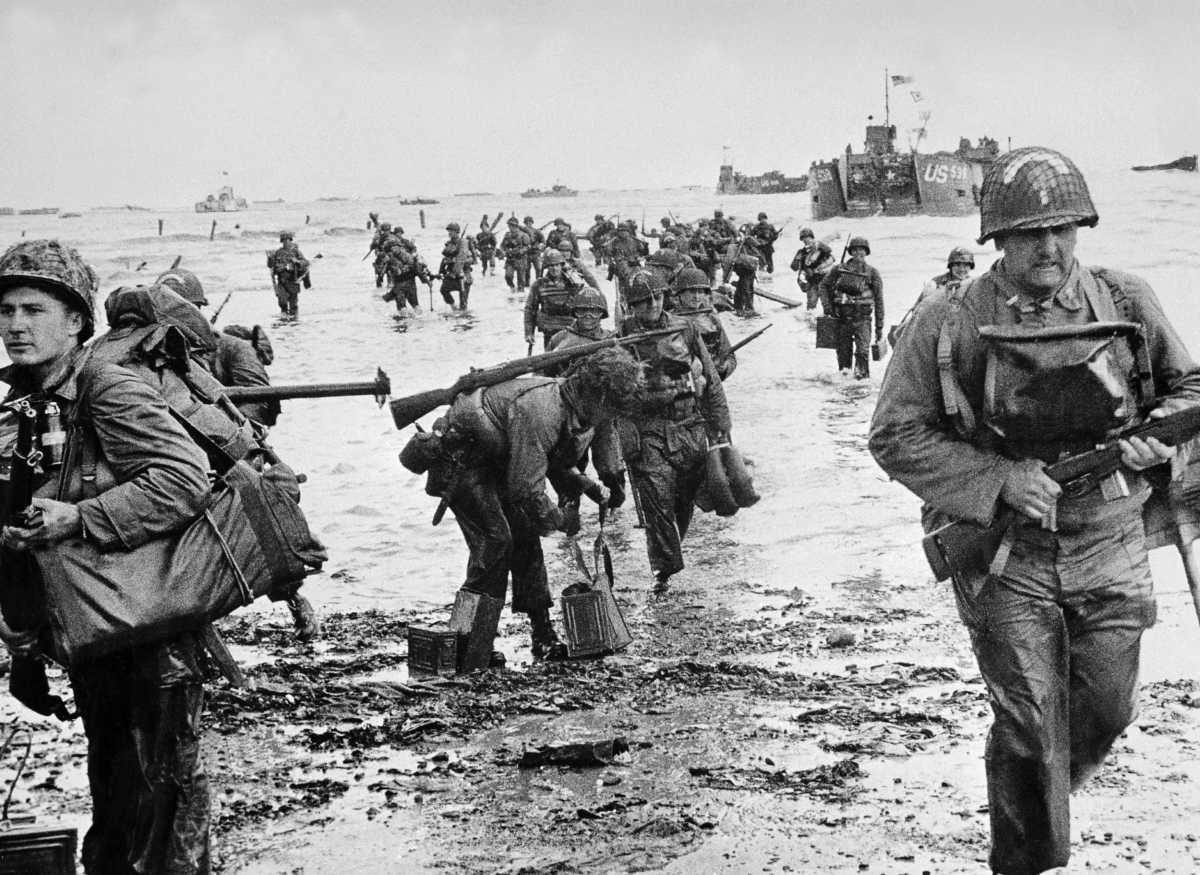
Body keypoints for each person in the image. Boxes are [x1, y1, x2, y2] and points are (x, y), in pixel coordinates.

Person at [868, 146, 1200, 875]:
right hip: (1005, 550)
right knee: (1026, 723)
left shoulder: (1126, 300)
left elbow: (1192, 386)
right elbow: (894, 432)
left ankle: (1035, 795)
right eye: (1029, 233)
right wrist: (998, 479)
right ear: (998, 239)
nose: (1049, 247)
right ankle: (1026, 860)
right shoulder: (947, 320)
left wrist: (1153, 438)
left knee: (1108, 710)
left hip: (1109, 536)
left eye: (1064, 230)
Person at [0, 239, 214, 873]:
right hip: (86, 625)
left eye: (34, 310)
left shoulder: (108, 387)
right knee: (116, 779)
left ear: (75, 321)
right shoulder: (17, 402)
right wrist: (22, 638)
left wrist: (83, 517)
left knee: (164, 793)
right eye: (6, 311)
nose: (15, 325)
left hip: (150, 624)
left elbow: (184, 478)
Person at [428, 348, 643, 662]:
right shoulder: (542, 409)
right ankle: (467, 642)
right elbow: (526, 487)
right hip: (462, 461)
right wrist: (557, 519)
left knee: (526, 541)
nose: (612, 416)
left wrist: (587, 485)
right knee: (496, 541)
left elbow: (550, 461)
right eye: (612, 407)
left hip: (501, 461)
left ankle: (542, 633)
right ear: (596, 396)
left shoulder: (578, 411)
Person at [618, 270, 731, 593]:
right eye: (642, 301)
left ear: (665, 296)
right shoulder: (621, 338)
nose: (651, 305)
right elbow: (617, 395)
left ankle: (669, 553)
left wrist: (720, 424)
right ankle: (663, 572)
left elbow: (711, 378)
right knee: (657, 498)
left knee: (685, 497)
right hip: (649, 429)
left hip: (690, 425)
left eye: (656, 297)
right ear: (631, 305)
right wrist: (624, 437)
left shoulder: (685, 328)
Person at [157, 266, 279, 427]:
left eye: (180, 311)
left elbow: (259, 401)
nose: (173, 320)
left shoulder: (233, 348)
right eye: (164, 313)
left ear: (197, 310)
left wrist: (222, 427)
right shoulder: (149, 352)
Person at [819, 236, 883, 378]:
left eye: (862, 250)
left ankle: (861, 386)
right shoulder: (838, 269)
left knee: (862, 353)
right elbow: (823, 285)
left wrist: (879, 327)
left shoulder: (872, 273)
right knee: (843, 357)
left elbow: (879, 301)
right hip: (842, 319)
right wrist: (827, 307)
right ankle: (845, 387)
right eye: (855, 250)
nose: (858, 253)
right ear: (851, 252)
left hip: (863, 319)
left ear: (866, 252)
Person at [888, 246, 976, 348]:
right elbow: (919, 309)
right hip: (937, 327)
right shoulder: (935, 284)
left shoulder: (973, 284)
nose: (961, 269)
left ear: (970, 267)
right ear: (950, 266)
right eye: (957, 265)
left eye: (965, 265)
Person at [669, 267, 736, 380]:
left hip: (712, 381)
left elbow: (730, 356)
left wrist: (724, 367)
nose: (696, 296)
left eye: (700, 291)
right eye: (692, 291)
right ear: (680, 294)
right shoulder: (669, 321)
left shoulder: (711, 318)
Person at [524, 250, 584, 350]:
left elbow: (584, 306)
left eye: (557, 265)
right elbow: (530, 310)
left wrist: (577, 283)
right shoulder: (539, 285)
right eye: (551, 265)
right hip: (549, 330)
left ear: (561, 266)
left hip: (570, 329)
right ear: (547, 267)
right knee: (550, 358)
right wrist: (529, 333)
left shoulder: (573, 282)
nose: (554, 268)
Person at [267, 231, 310, 316]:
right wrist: (270, 259)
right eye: (284, 240)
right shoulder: (278, 252)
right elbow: (270, 266)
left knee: (293, 304)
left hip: (293, 280)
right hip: (282, 281)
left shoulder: (296, 252)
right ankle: (284, 317)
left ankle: (292, 323)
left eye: (288, 240)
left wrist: (297, 261)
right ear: (282, 241)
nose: (286, 242)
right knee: (282, 302)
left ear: (291, 240)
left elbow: (306, 262)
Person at [384, 239, 433, 313]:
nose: (393, 249)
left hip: (407, 284)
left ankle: (414, 321)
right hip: (401, 284)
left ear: (399, 247)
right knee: (406, 308)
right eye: (391, 247)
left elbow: (417, 270)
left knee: (412, 307)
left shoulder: (407, 257)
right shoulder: (391, 258)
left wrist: (426, 281)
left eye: (394, 247)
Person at [791, 228, 835, 309]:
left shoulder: (820, 248)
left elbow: (829, 251)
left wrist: (819, 245)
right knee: (811, 306)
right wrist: (798, 259)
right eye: (803, 238)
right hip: (811, 281)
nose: (806, 240)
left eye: (808, 237)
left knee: (827, 304)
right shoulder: (801, 252)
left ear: (812, 237)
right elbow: (794, 267)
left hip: (824, 280)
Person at [437, 222, 475, 310]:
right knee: (444, 290)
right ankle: (453, 307)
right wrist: (441, 272)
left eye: (452, 231)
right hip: (451, 274)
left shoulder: (464, 243)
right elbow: (444, 259)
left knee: (463, 302)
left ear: (457, 232)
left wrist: (458, 261)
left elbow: (471, 259)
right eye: (449, 231)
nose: (449, 233)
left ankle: (464, 319)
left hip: (464, 275)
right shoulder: (449, 244)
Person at [501, 217, 532, 295]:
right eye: (510, 225)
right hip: (510, 259)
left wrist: (521, 251)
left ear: (516, 226)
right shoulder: (507, 235)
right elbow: (502, 245)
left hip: (520, 259)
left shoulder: (523, 235)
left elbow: (528, 246)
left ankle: (520, 298)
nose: (511, 227)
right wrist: (503, 251)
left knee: (521, 281)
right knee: (508, 276)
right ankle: (512, 288)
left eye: (512, 226)